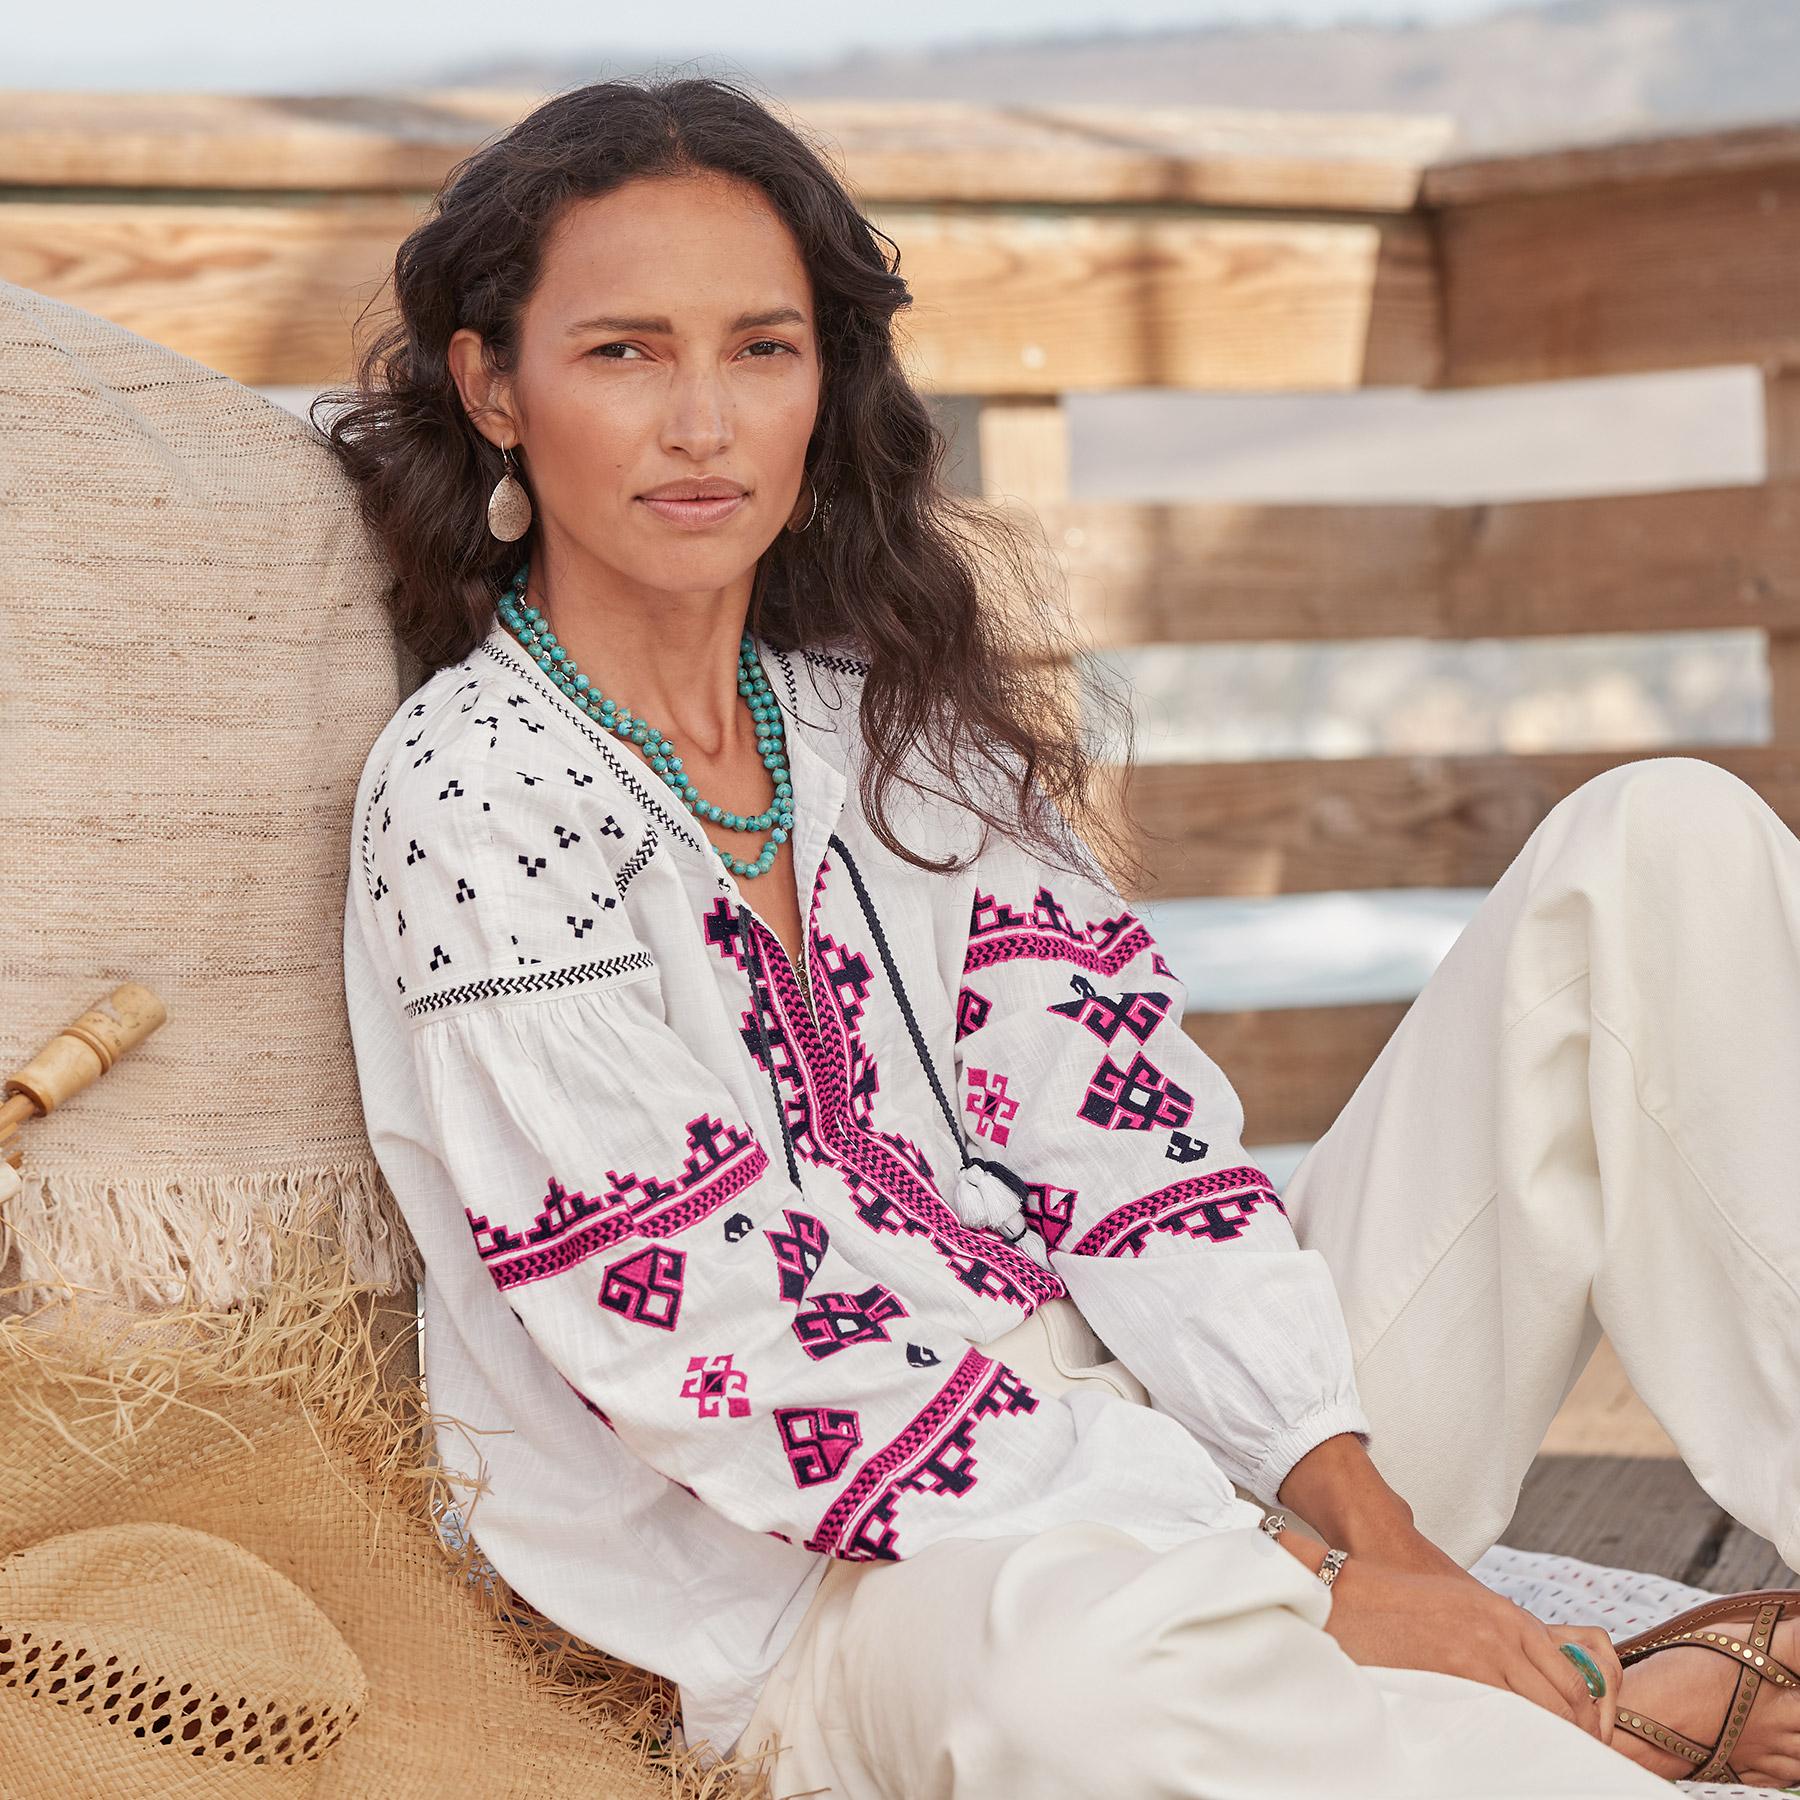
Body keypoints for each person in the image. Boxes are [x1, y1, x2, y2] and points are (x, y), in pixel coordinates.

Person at [329, 75, 1800, 1798]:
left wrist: (1369, 1529)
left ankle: (1441, 1677)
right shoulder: (473, 794)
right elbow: (710, 1341)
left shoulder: (893, 731)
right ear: (493, 385)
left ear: (825, 381)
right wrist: (1304, 1581)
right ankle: (1610, 1716)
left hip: (1195, 1434)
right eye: (624, 353)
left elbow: (1135, 1161)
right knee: (1094, 1682)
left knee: (1659, 844)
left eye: (763, 349)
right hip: (858, 1580)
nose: (705, 424)